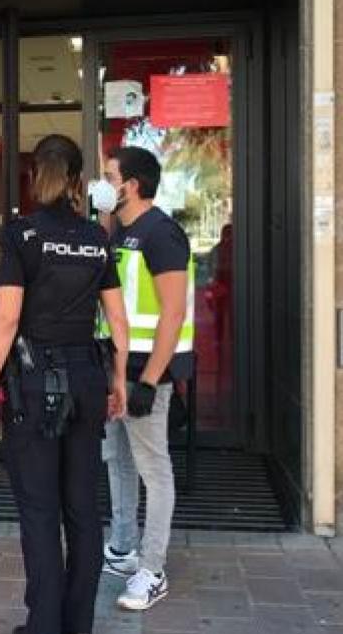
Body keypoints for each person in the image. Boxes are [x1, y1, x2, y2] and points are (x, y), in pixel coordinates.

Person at [0, 134, 129, 634]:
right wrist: (118, 380)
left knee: (40, 512)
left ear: (35, 175)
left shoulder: (23, 235)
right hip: (86, 380)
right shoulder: (95, 237)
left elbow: (5, 318)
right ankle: (76, 624)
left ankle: (44, 624)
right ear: (80, 181)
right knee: (83, 509)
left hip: (35, 385)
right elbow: (117, 320)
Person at [91, 146, 192, 612]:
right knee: (119, 461)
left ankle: (152, 569)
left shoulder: (162, 234)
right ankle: (123, 548)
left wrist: (149, 382)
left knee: (154, 470)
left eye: (108, 175)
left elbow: (173, 313)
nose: (102, 183)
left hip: (145, 373)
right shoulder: (120, 231)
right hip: (115, 370)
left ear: (130, 185)